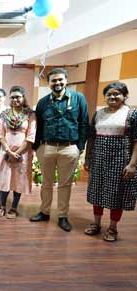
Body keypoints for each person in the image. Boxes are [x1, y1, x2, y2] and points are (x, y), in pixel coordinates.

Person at [30, 68, 89, 232]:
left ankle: (63, 216)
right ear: (48, 83)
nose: (57, 83)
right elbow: (38, 125)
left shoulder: (78, 99)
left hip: (69, 147)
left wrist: (80, 147)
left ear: (66, 80)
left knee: (65, 184)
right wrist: (37, 147)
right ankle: (44, 212)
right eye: (53, 80)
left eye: (60, 80)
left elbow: (84, 123)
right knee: (46, 183)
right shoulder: (43, 102)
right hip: (47, 147)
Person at [84, 82, 137, 242]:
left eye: (117, 94)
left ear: (124, 96)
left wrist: (133, 164)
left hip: (121, 161)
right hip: (98, 160)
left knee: (117, 196)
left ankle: (113, 228)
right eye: (109, 94)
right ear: (105, 97)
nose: (113, 97)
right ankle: (96, 224)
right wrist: (87, 158)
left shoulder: (132, 114)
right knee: (97, 193)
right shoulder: (98, 114)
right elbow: (91, 138)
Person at [0, 86, 36, 219]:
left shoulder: (30, 114)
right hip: (6, 152)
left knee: (19, 180)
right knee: (4, 179)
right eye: (12, 97)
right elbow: (0, 134)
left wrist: (17, 152)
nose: (15, 99)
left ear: (23, 97)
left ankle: (13, 208)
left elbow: (31, 136)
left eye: (18, 96)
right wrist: (8, 151)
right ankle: (2, 206)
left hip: (23, 154)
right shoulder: (4, 114)